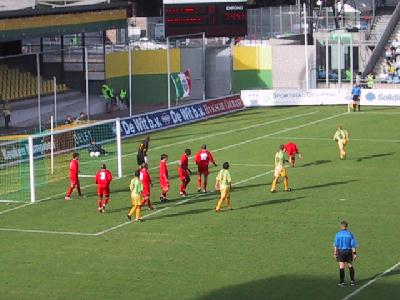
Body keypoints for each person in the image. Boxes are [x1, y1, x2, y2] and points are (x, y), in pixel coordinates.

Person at [333, 220, 358, 287]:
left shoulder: (338, 234)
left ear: (341, 226)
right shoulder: (350, 234)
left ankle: (342, 282)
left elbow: (336, 245)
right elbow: (353, 245)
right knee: (350, 265)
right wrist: (355, 253)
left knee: (341, 267)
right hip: (348, 251)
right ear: (347, 226)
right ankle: (352, 281)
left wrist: (335, 253)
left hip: (340, 251)